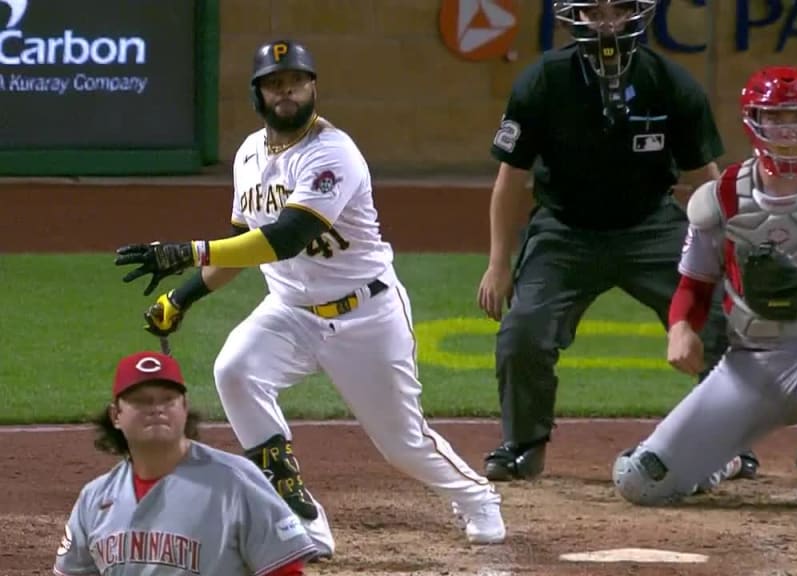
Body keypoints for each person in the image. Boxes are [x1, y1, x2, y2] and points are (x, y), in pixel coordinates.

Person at [112, 39, 506, 548]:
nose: (287, 91)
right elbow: (241, 247)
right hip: (291, 312)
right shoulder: (250, 155)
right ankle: (300, 513)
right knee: (235, 370)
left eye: (296, 81)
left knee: (401, 443)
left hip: (366, 313)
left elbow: (285, 237)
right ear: (257, 93)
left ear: (313, 87)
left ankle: (476, 496)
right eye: (275, 83)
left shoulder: (332, 154)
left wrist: (184, 252)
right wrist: (181, 298)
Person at [476, 0, 759, 482]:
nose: (607, 22)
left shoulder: (670, 84)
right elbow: (511, 179)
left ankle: (727, 442)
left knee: (719, 319)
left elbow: (706, 183)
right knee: (523, 330)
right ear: (574, 17)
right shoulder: (543, 81)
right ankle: (523, 444)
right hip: (564, 230)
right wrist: (498, 264)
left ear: (638, 13)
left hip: (651, 225)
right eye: (594, 12)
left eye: (619, 10)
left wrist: (729, 254)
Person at [611, 65, 797, 509]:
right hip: (749, 367)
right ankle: (720, 457)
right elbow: (693, 284)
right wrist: (681, 328)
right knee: (641, 482)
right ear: (754, 122)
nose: (788, 130)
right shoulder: (720, 197)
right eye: (775, 117)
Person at [53, 351, 320, 576]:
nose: (156, 408)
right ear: (116, 416)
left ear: (184, 407)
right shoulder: (94, 498)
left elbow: (286, 571)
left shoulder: (236, 481)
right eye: (141, 400)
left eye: (168, 399)